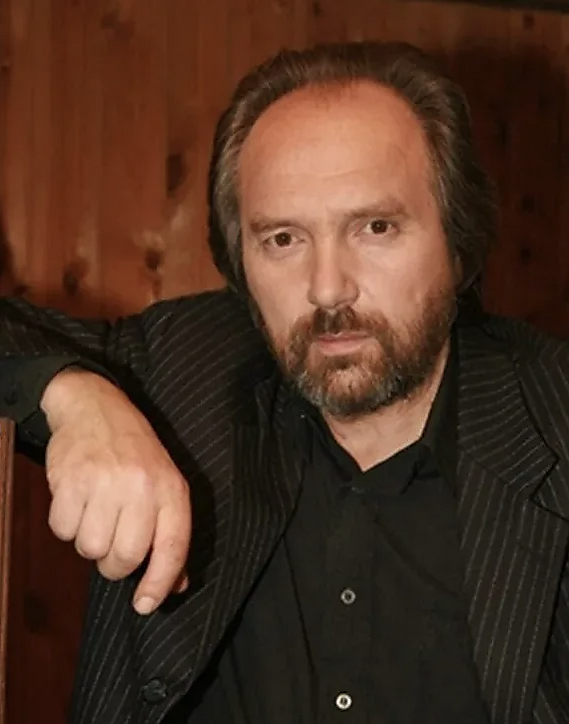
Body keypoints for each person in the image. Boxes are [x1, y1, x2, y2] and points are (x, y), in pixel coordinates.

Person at [0, 40, 566, 724]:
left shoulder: (554, 416)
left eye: (375, 227)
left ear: (458, 242)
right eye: (283, 240)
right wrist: (75, 395)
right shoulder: (184, 367)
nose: (327, 288)